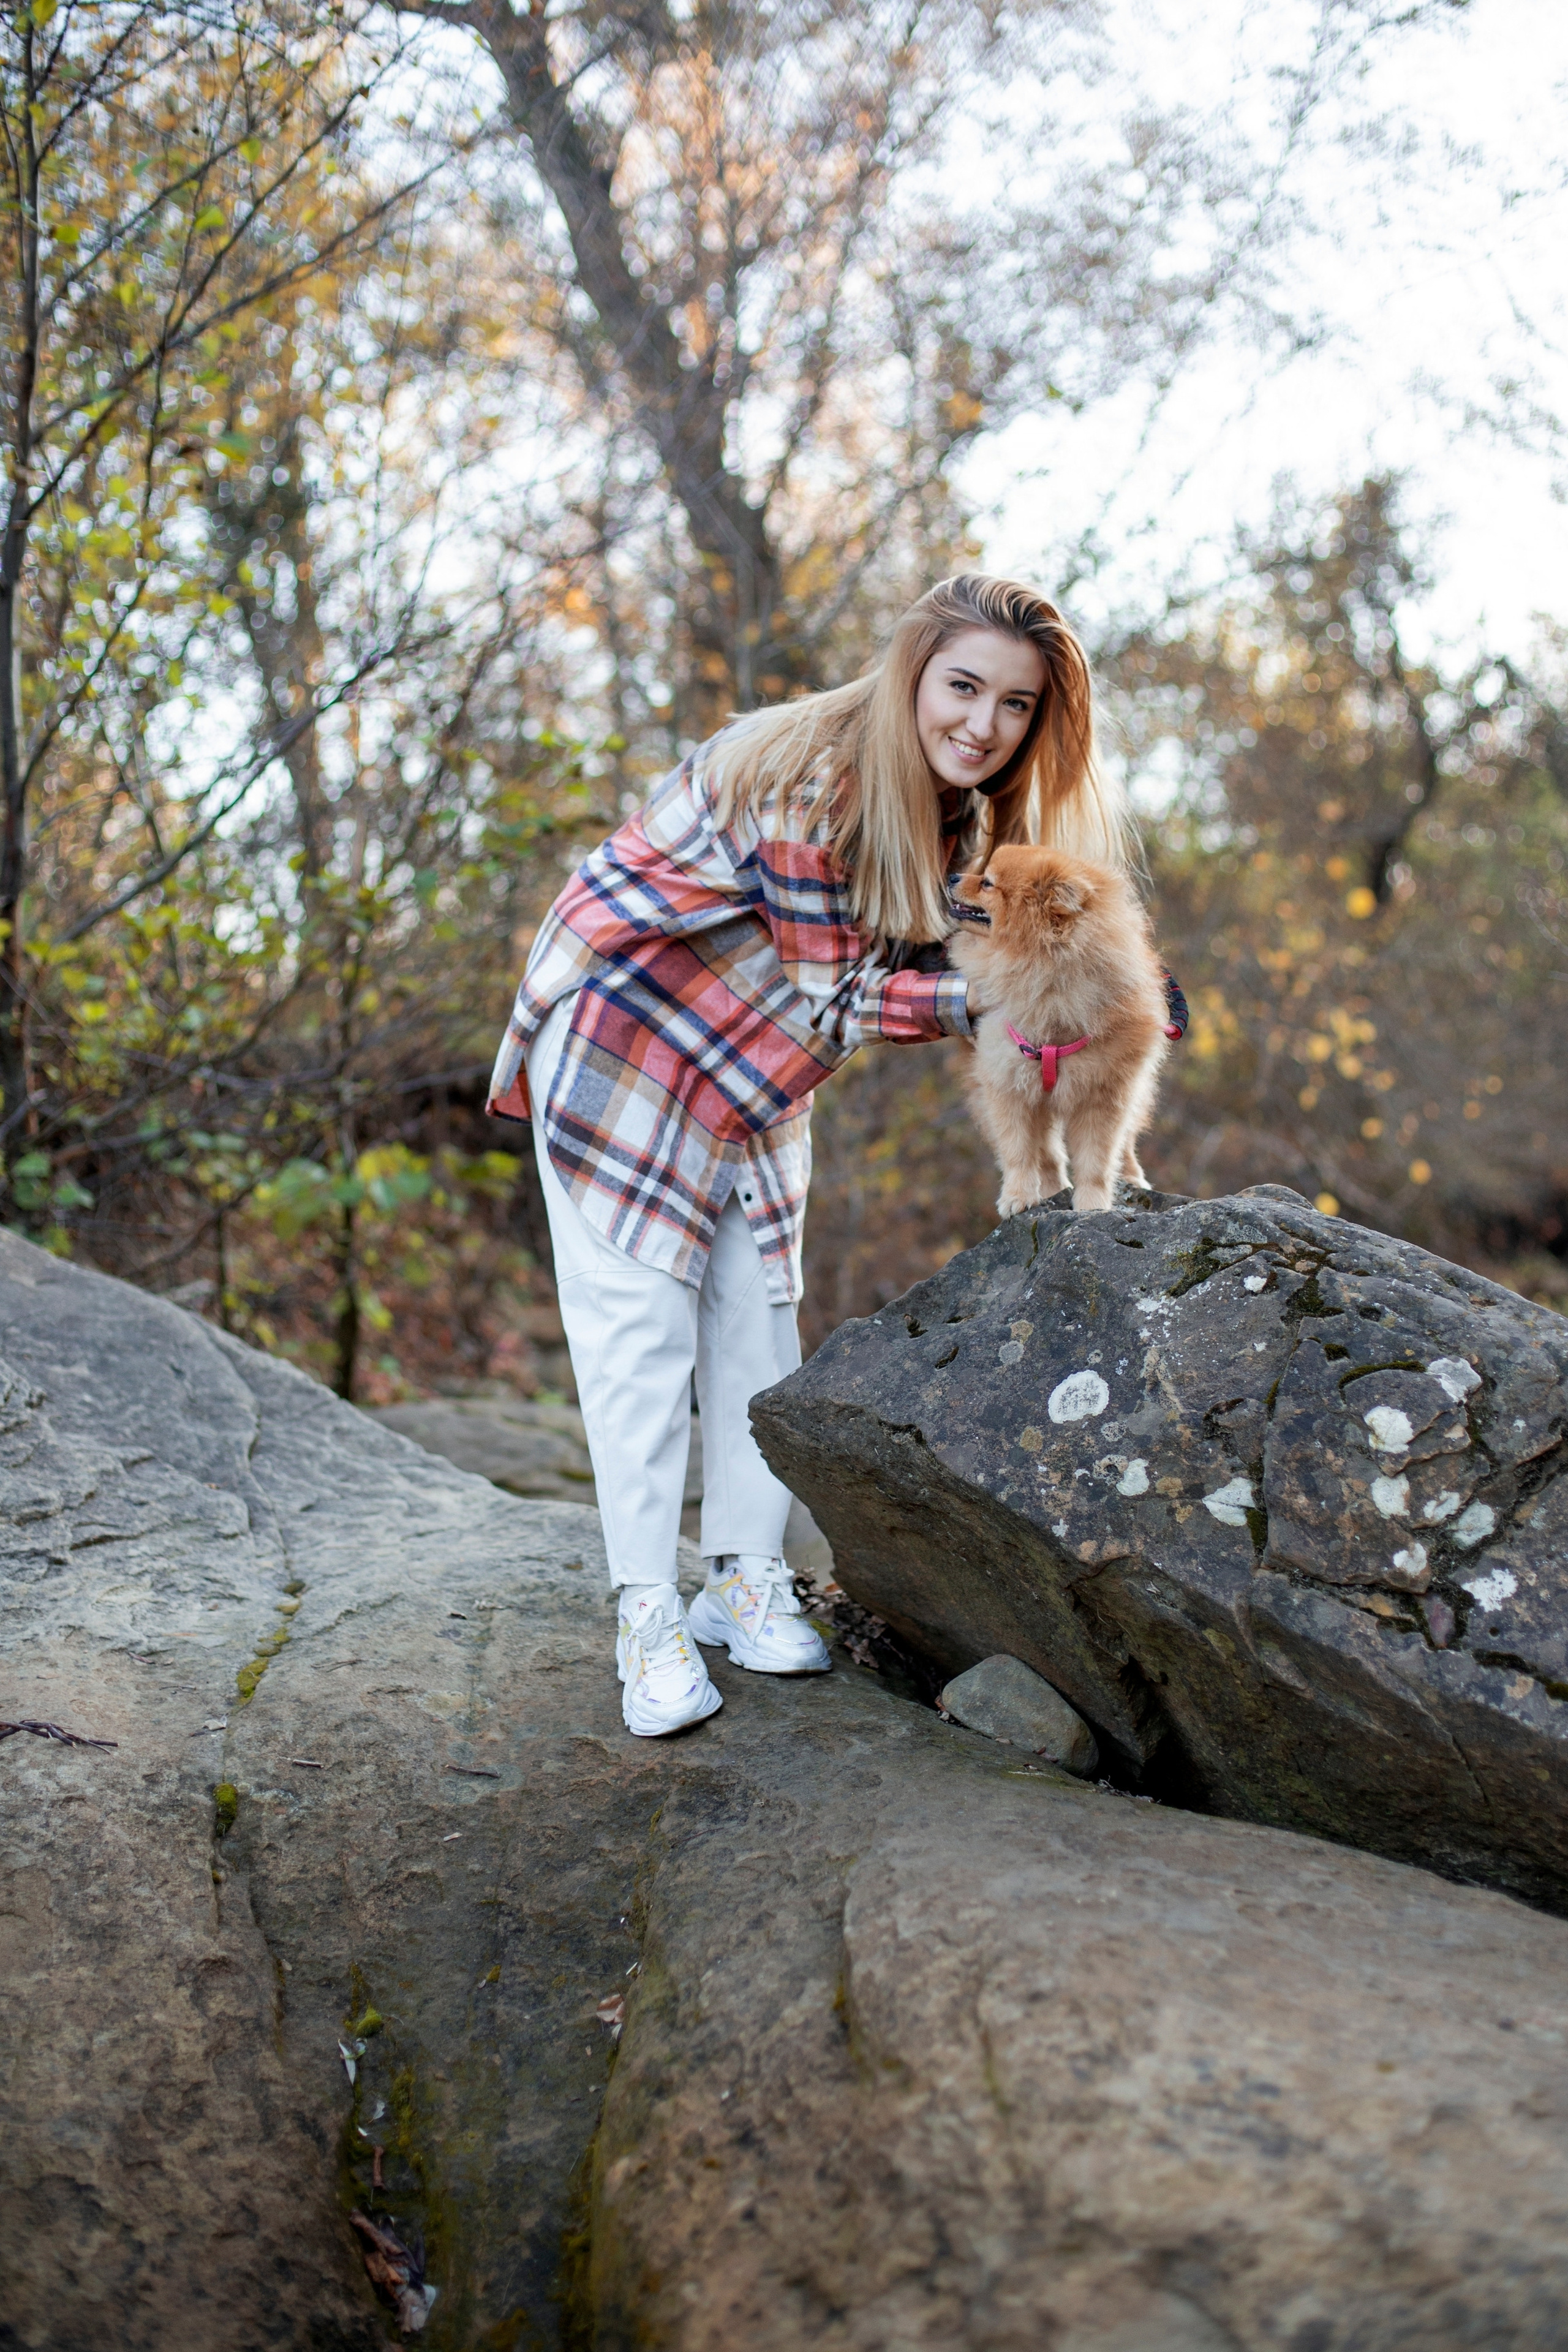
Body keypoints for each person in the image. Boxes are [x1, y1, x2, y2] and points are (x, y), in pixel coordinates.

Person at [486, 573, 1127, 1736]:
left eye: (1017, 705)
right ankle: (646, 1611)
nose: (982, 725)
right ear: (913, 672)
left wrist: (1099, 994)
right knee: (639, 1342)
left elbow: (985, 960)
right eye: (963, 687)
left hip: (753, 1067)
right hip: (630, 1041)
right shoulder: (811, 775)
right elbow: (841, 995)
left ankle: (742, 1578)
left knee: (758, 1325)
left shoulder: (959, 812)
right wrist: (1009, 1005)